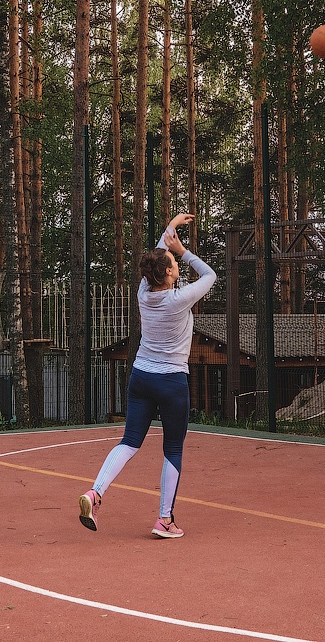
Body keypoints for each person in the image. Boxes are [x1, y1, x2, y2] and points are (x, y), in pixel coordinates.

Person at [78, 213, 216, 538]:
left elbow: (155, 257)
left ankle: (95, 493)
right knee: (173, 450)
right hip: (171, 382)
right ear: (168, 272)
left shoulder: (144, 291)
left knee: (129, 441)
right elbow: (209, 275)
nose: (175, 263)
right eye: (173, 262)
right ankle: (164, 520)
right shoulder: (179, 298)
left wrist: (169, 226)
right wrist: (181, 249)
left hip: (141, 376)